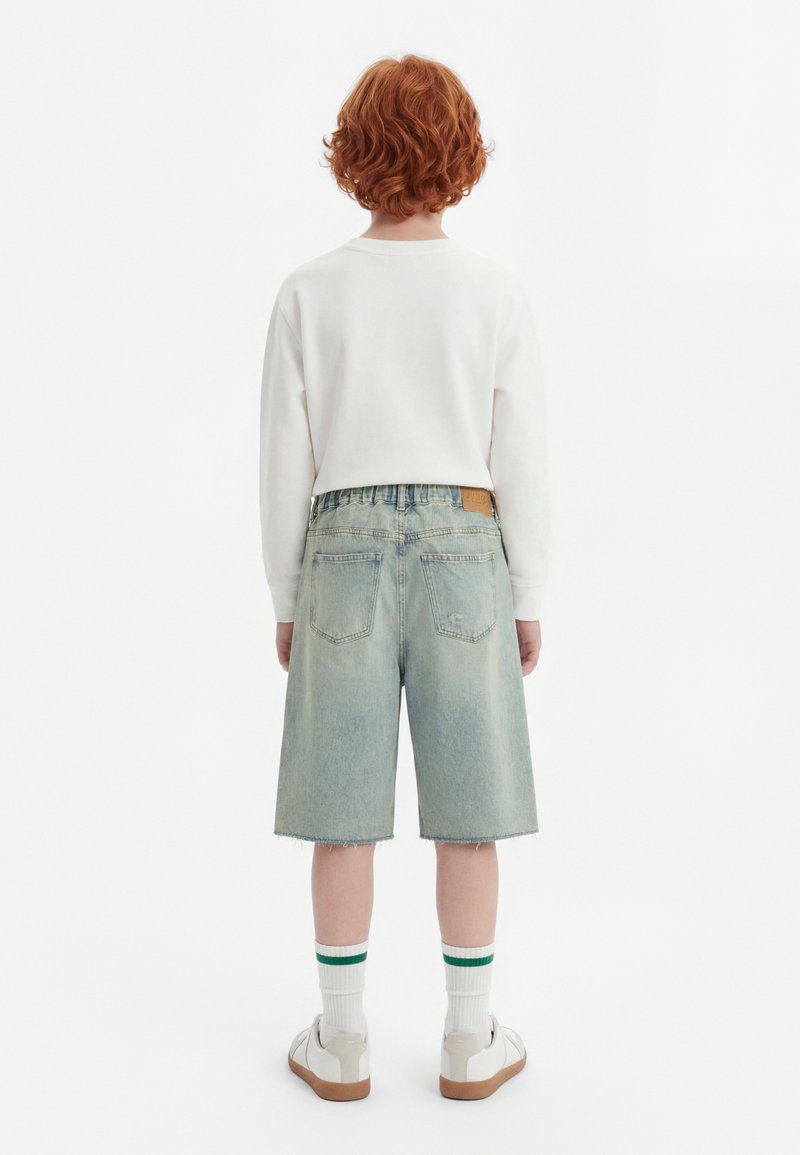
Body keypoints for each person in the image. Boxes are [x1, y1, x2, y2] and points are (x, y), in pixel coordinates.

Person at [259, 53, 548, 1102]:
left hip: (338, 547)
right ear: (462, 153)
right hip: (467, 544)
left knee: (341, 808)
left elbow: (284, 460)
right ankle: (470, 1038)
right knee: (468, 809)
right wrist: (527, 594)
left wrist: (287, 597)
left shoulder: (309, 290)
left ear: (352, 152)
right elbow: (521, 456)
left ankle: (341, 1041)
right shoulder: (493, 292)